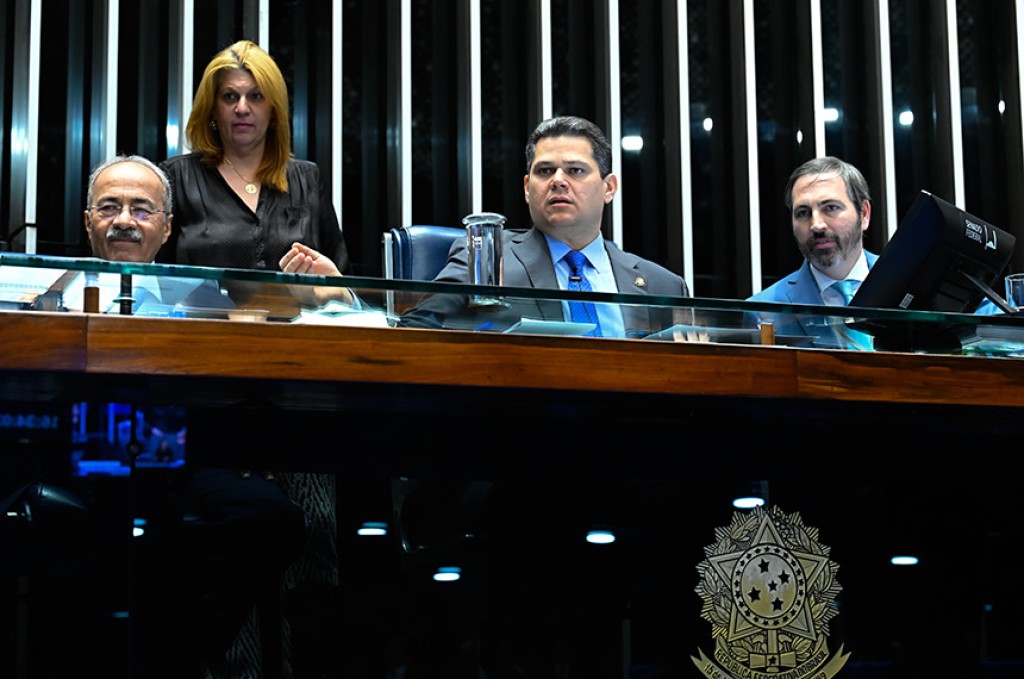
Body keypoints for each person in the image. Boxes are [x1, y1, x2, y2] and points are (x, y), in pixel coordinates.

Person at [158, 39, 347, 678]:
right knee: (241, 537)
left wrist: (330, 281)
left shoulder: (307, 178)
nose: (242, 108)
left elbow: (344, 290)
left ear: (275, 108)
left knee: (314, 540)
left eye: (255, 97)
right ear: (211, 109)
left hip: (300, 389)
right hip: (210, 391)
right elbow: (155, 290)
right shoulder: (178, 178)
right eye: (230, 97)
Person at [81, 155, 308, 679]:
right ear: (88, 221)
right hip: (87, 453)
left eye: (142, 210)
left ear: (166, 228)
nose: (124, 220)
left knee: (271, 517)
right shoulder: (52, 291)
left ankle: (180, 655)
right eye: (109, 207)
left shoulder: (203, 296)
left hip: (188, 454)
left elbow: (244, 383)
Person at [400, 115, 689, 336]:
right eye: (545, 170)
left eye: (575, 170)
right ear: (528, 188)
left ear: (609, 187)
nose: (558, 180)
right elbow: (415, 331)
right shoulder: (487, 260)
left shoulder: (662, 285)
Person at [747, 156, 878, 349]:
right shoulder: (763, 311)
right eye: (803, 213)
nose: (816, 225)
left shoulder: (908, 281)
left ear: (864, 214)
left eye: (831, 208)